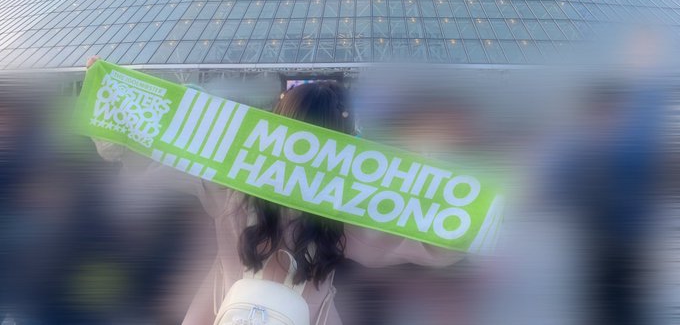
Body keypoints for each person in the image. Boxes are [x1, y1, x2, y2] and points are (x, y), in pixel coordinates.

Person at [86, 56, 464, 325]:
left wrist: (111, 91)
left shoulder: (233, 180)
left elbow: (142, 158)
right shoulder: (346, 207)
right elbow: (438, 243)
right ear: (345, 142)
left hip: (223, 309)